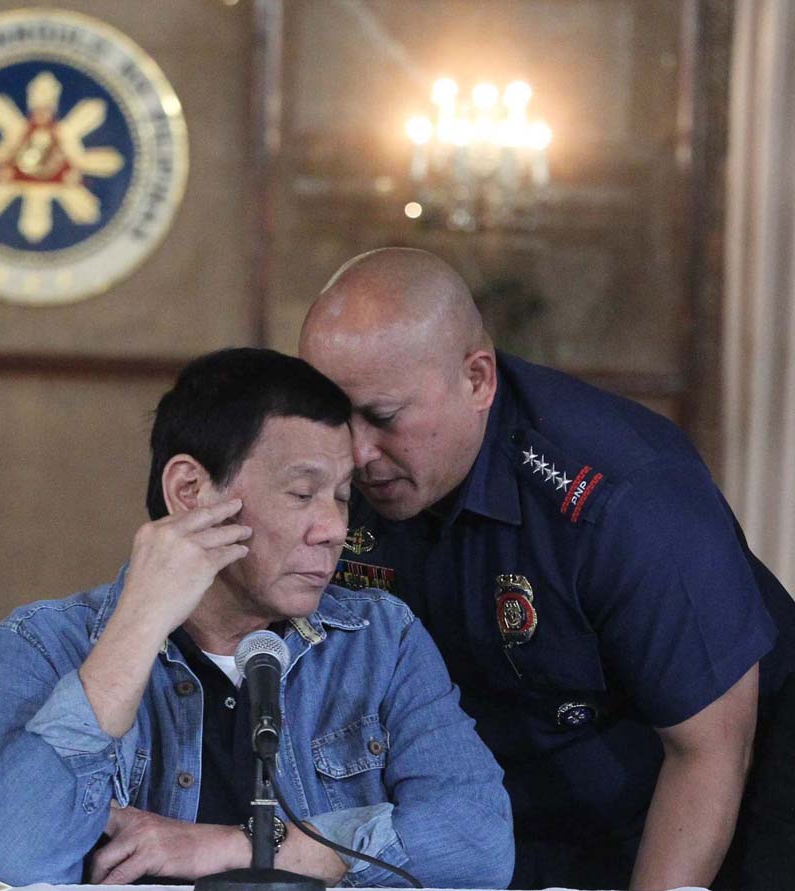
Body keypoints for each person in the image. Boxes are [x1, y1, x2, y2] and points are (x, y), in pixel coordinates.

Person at [299, 247, 795, 890]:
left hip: (742, 783)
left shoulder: (625, 499)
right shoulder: (329, 472)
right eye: (334, 417)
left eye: (384, 418)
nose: (359, 454)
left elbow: (710, 753)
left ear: (478, 380)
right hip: (516, 807)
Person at [0, 347, 513, 889]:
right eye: (301, 493)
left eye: (342, 498)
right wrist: (135, 627)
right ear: (190, 492)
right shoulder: (44, 642)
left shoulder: (380, 640)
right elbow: (20, 854)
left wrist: (242, 846)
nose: (332, 529)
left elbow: (478, 843)